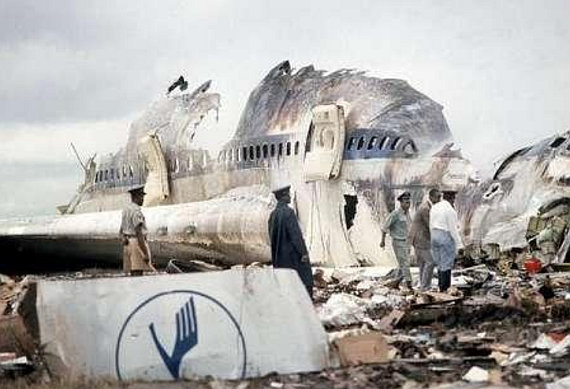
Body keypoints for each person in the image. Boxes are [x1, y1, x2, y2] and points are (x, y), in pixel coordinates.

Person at [268, 185, 314, 298]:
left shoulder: (273, 215)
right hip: (292, 256)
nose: (290, 196)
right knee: (305, 279)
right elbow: (296, 235)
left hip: (279, 257)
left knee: (286, 283)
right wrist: (303, 253)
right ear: (283, 196)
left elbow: (270, 235)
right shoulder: (288, 213)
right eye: (288, 194)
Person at [429, 190, 462, 292]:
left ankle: (440, 286)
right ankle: (445, 289)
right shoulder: (450, 210)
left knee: (439, 263)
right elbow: (453, 229)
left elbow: (430, 224)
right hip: (444, 235)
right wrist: (460, 245)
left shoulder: (434, 207)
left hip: (434, 235)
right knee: (446, 264)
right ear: (452, 199)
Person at [409, 188, 441, 291]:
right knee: (430, 262)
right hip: (421, 239)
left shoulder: (427, 207)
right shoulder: (425, 209)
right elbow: (430, 225)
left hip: (419, 239)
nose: (439, 199)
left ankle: (423, 286)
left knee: (423, 263)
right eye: (437, 197)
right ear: (431, 197)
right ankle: (425, 286)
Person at [119, 185, 154, 276]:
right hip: (136, 244)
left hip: (127, 244)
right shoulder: (136, 211)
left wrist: (123, 238)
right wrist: (145, 253)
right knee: (138, 273)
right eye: (141, 196)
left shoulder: (126, 210)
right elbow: (139, 233)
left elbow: (121, 231)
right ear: (136, 197)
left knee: (132, 273)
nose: (143, 199)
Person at [381, 191, 412, 289]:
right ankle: (409, 283)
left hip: (406, 242)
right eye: (405, 201)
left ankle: (395, 281)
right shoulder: (395, 214)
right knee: (405, 263)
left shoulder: (407, 214)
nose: (408, 203)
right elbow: (385, 226)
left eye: (408, 201)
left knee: (402, 264)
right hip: (398, 241)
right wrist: (382, 241)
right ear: (401, 202)